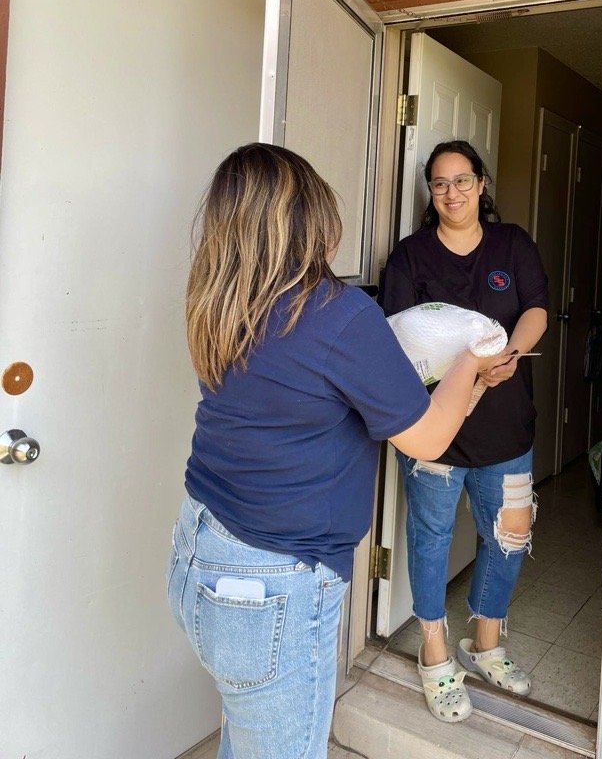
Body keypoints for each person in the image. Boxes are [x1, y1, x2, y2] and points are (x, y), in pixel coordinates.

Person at [166, 143, 512, 759]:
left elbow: (299, 389)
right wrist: (469, 366)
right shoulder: (337, 312)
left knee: (245, 734)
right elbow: (429, 437)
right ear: (311, 219)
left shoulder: (218, 301)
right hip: (274, 581)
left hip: (200, 552)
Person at [378, 140, 549, 723]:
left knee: (509, 532)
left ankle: (487, 642)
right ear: (432, 193)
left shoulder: (512, 244)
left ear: (482, 183)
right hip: (435, 431)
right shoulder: (409, 258)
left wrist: (511, 354)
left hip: (507, 424)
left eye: (462, 180)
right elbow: (396, 339)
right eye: (440, 183)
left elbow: (536, 310)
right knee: (429, 535)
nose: (452, 193)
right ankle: (433, 652)